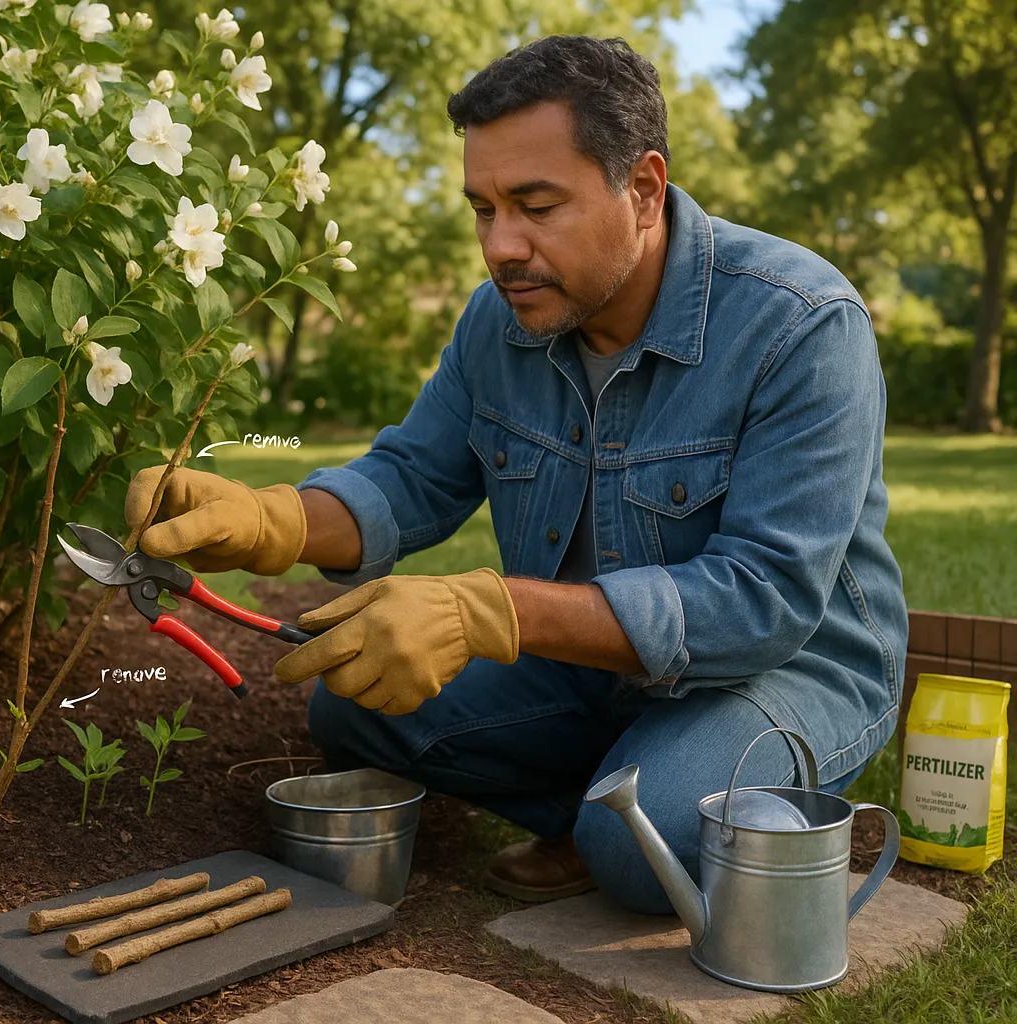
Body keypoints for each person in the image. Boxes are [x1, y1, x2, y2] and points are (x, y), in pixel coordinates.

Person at [123, 35, 908, 913]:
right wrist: (274, 518)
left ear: (642, 190)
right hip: (589, 666)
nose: (501, 247)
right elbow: (413, 476)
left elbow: (763, 600)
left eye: (536, 206)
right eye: (483, 208)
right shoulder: (502, 319)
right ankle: (612, 789)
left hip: (787, 673)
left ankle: (623, 813)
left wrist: (490, 609)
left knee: (643, 841)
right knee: (347, 697)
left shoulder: (801, 325)